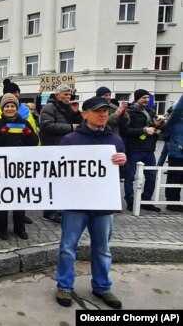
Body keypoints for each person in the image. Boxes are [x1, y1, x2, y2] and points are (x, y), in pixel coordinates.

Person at [55, 96, 127, 310]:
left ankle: (103, 287)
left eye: (105, 110)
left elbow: (121, 173)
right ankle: (64, 286)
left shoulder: (115, 141)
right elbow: (58, 171)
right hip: (76, 204)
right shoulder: (70, 140)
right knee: (68, 247)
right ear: (85, 114)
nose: (103, 114)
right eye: (97, 111)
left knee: (103, 249)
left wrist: (124, 162)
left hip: (103, 205)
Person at [0, 94, 38, 240]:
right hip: (1, 168)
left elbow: (34, 142)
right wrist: (2, 133)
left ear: (16, 108)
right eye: (7, 106)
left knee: (20, 198)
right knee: (2, 199)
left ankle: (20, 229)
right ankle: (1, 229)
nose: (9, 108)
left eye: (12, 106)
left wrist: (28, 135)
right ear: (2, 108)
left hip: (20, 168)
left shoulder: (25, 124)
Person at [39, 84, 76, 223]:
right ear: (57, 95)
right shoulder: (49, 108)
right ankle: (50, 211)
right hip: (53, 148)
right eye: (65, 94)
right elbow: (47, 126)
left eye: (69, 94)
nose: (68, 97)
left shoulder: (67, 108)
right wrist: (70, 127)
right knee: (53, 181)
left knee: (63, 181)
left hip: (65, 148)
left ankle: (60, 208)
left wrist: (76, 114)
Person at [120, 89, 162, 212]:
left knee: (152, 176)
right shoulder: (129, 112)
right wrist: (144, 130)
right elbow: (125, 131)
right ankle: (130, 201)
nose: (147, 100)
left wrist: (157, 128)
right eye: (144, 97)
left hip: (149, 149)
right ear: (137, 98)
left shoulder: (150, 111)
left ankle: (146, 200)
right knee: (130, 177)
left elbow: (151, 128)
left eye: (148, 98)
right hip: (134, 149)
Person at [162, 96, 183, 212]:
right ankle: (171, 202)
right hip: (177, 154)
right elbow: (179, 108)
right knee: (174, 178)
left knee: (180, 180)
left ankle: (176, 201)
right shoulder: (174, 119)